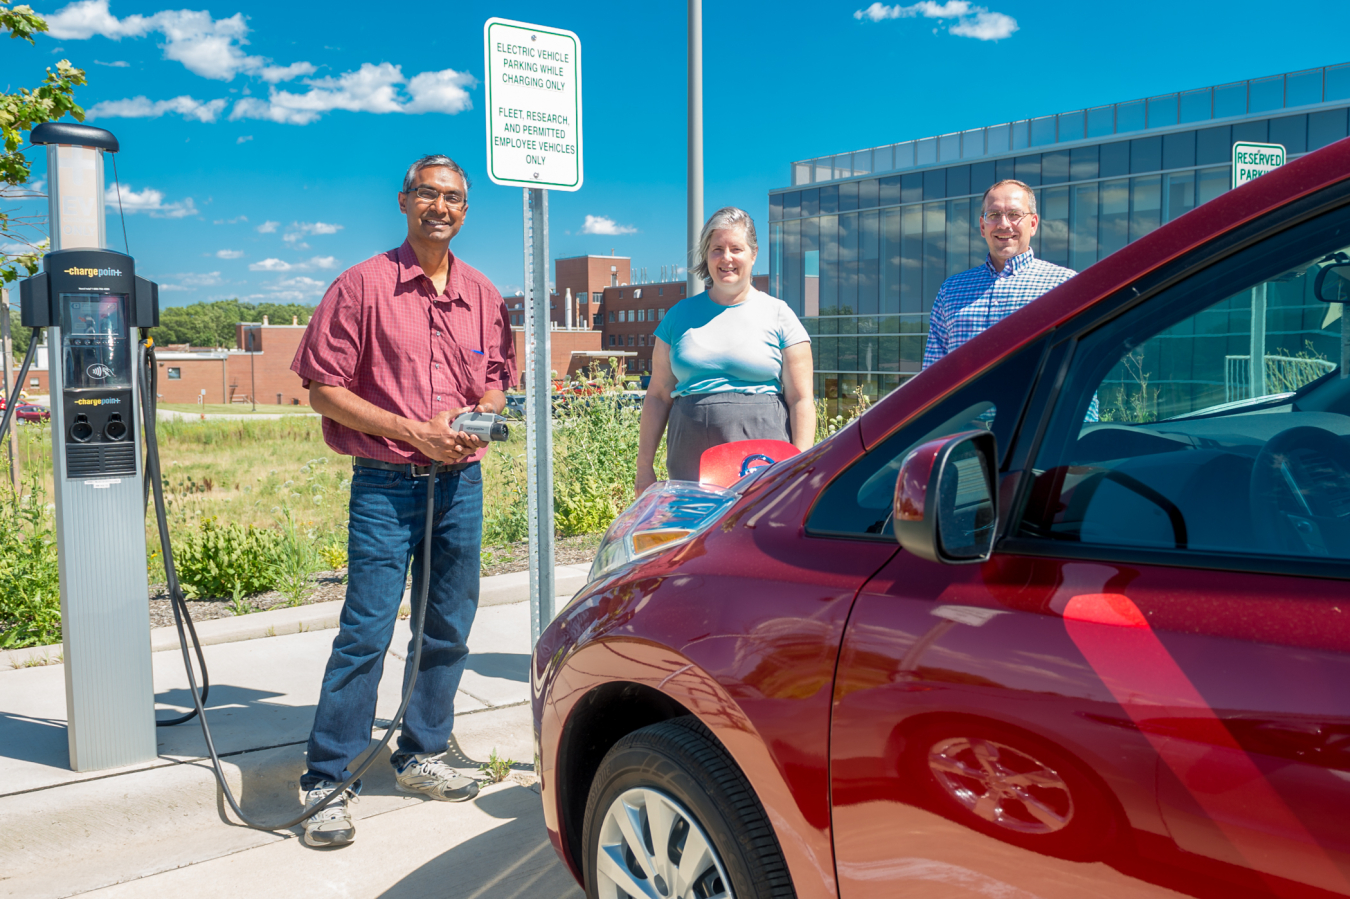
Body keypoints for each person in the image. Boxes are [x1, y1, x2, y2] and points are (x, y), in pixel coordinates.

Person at [289, 154, 517, 848]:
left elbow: (499, 378)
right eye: (427, 194)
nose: (439, 207)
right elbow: (324, 388)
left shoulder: (483, 293)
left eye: (452, 197)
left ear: (465, 210)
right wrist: (413, 430)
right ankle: (327, 778)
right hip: (386, 485)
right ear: (403, 200)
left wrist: (484, 408)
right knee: (366, 630)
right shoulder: (361, 287)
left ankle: (422, 751)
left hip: (460, 485)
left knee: (447, 625)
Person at [636, 207, 814, 493]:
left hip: (762, 458)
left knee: (755, 534)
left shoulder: (780, 315)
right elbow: (657, 396)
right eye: (717, 249)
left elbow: (801, 400)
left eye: (736, 249)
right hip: (689, 456)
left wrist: (802, 467)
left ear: (754, 254)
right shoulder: (678, 316)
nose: (726, 258)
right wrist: (644, 469)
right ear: (707, 256)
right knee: (693, 535)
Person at [922, 179, 1075, 369]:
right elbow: (932, 372)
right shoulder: (951, 290)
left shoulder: (1064, 285)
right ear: (982, 226)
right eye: (994, 214)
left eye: (1014, 214)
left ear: (1033, 223)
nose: (1004, 224)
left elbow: (1078, 370)